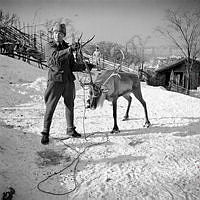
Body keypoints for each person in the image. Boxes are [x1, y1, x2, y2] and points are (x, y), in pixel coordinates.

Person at [41, 23, 86, 145]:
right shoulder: (49, 46)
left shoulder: (66, 46)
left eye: (60, 33)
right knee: (50, 106)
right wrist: (69, 50)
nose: (57, 35)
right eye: (55, 33)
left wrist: (85, 66)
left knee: (70, 105)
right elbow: (55, 58)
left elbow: (72, 65)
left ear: (63, 35)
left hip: (68, 81)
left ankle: (70, 129)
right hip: (55, 81)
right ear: (53, 34)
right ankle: (45, 132)